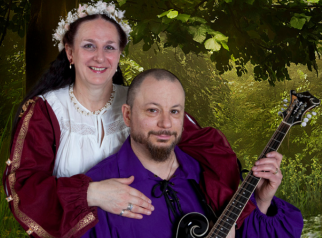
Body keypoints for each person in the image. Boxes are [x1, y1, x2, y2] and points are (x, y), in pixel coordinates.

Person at [3, 2, 256, 237]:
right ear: (70, 52)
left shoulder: (144, 102)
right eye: (89, 45)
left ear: (119, 54)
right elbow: (23, 188)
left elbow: (206, 147)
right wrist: (92, 192)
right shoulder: (46, 111)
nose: (100, 57)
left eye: (109, 47)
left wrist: (226, 216)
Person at [82, 69, 303, 238]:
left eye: (175, 111)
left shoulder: (210, 173)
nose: (165, 123)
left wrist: (262, 200)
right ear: (128, 115)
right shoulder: (97, 188)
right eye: (152, 110)